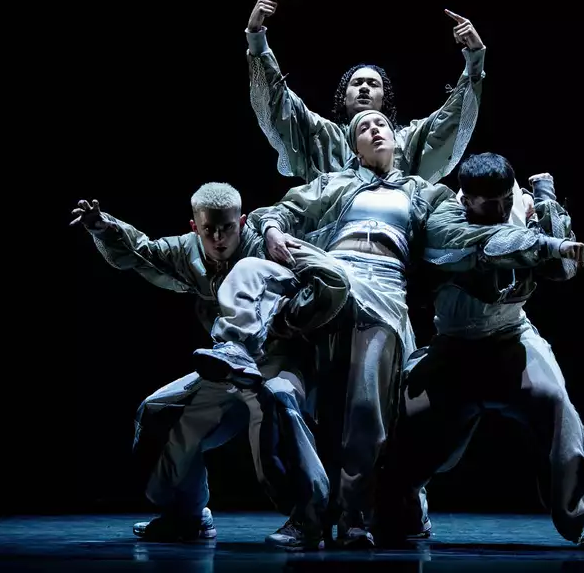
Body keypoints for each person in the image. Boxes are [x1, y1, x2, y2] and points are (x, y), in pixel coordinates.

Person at [193, 110, 455, 548]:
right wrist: (274, 230)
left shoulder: (424, 192)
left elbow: (460, 229)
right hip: (328, 274)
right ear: (353, 147)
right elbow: (277, 210)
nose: (373, 130)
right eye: (362, 128)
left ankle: (354, 515)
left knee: (362, 408)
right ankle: (235, 346)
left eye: (382, 125)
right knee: (253, 268)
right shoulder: (334, 183)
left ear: (397, 140)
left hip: (383, 291)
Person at [70, 183, 343, 548]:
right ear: (194, 226)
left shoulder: (265, 245)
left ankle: (310, 520)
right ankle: (188, 514)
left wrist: (289, 318)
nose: (218, 238)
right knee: (160, 412)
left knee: (280, 404)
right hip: (226, 369)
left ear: (241, 222)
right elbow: (143, 251)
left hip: (280, 361)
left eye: (227, 228)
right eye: (208, 229)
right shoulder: (187, 251)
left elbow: (324, 282)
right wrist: (104, 227)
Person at [372, 153, 584, 550]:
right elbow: (489, 247)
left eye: (506, 200)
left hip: (510, 339)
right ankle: (403, 511)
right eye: (491, 205)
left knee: (555, 402)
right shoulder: (445, 220)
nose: (502, 210)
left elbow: (562, 268)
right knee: (408, 430)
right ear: (466, 199)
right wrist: (545, 240)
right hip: (455, 351)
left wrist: (546, 198)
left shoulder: (516, 204)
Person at [245, 0, 486, 184]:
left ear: (384, 98)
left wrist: (474, 58)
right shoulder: (322, 135)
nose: (363, 88)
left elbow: (450, 121)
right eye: (357, 83)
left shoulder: (406, 141)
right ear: (343, 96)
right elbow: (278, 102)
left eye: (373, 84)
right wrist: (256, 36)